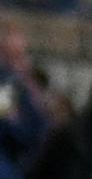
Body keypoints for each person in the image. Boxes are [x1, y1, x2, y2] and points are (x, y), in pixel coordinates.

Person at [0, 21, 48, 179]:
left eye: (20, 55)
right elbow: (13, 129)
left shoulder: (28, 86)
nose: (17, 63)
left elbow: (40, 127)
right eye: (10, 56)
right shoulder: (6, 84)